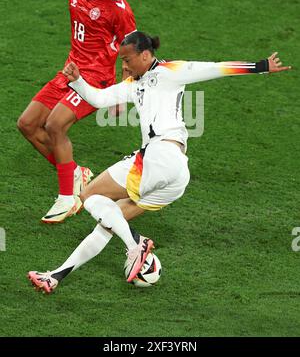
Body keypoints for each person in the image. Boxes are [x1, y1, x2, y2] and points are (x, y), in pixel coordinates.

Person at [27, 31, 291, 293]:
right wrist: (78, 81)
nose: (124, 66)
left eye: (128, 60)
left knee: (89, 196)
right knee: (110, 221)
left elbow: (214, 68)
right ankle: (56, 276)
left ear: (145, 55)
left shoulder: (170, 71)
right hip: (175, 175)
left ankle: (135, 245)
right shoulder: (135, 84)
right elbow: (100, 98)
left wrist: (261, 66)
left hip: (159, 156)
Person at [17, 0, 136, 223]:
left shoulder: (118, 8)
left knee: (55, 125)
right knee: (27, 123)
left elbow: (130, 49)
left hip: (96, 79)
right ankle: (75, 173)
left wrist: (121, 92)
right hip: (70, 72)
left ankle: (68, 197)